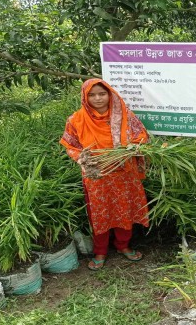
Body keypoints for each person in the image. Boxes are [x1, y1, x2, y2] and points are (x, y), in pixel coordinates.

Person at [60, 78, 149, 271]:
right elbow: (70, 145)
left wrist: (131, 148)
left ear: (110, 94)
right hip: (97, 174)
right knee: (99, 213)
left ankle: (123, 246)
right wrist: (82, 158)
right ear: (85, 97)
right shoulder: (76, 120)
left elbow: (141, 136)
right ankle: (100, 251)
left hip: (124, 173)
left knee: (124, 210)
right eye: (92, 95)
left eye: (102, 93)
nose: (98, 98)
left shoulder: (125, 115)